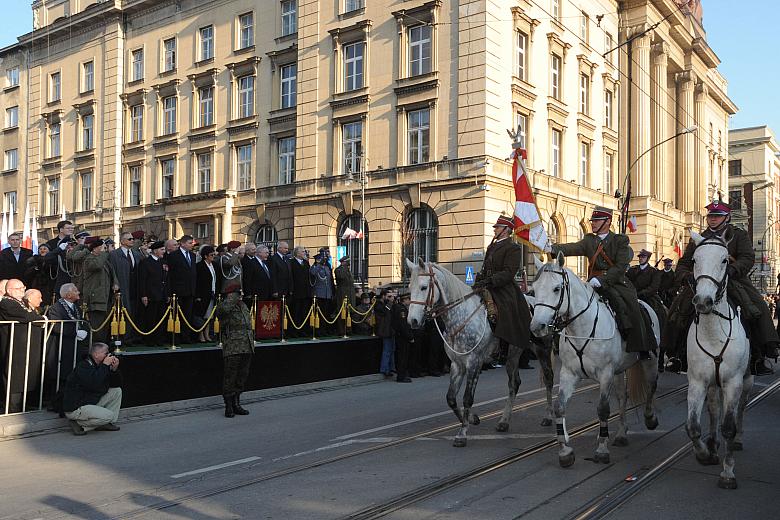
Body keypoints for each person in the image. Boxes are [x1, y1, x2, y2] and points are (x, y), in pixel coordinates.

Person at [662, 201, 780, 375]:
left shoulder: (738, 235)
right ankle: (676, 354)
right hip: (703, 282)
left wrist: (732, 269)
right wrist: (686, 276)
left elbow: (747, 257)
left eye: (717, 216)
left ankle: (759, 355)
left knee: (756, 308)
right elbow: (684, 262)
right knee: (678, 310)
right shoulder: (699, 238)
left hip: (733, 280)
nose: (713, 219)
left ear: (727, 217)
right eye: (710, 216)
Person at [550, 207, 656, 358]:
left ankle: (639, 345)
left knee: (631, 306)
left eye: (597, 221)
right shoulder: (589, 240)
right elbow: (572, 247)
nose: (593, 224)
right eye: (592, 221)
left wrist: (602, 280)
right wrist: (551, 248)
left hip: (616, 282)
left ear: (607, 222)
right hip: (592, 283)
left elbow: (620, 267)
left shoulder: (619, 240)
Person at [473, 215, 532, 353]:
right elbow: (485, 267)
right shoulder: (492, 246)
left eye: (497, 227)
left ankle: (503, 345)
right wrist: (480, 279)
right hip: (487, 284)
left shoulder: (513, 248)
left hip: (503, 287)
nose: (495, 230)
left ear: (505, 230)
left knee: (505, 309)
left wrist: (492, 280)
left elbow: (509, 272)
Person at [0, 279, 46, 412]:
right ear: (9, 291)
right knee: (14, 376)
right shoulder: (7, 302)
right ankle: (12, 407)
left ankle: (22, 405)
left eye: (23, 288)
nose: (22, 291)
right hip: (13, 344)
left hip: (22, 345)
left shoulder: (19, 302)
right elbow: (27, 316)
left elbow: (31, 315)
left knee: (24, 375)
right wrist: (41, 319)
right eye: (19, 289)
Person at [45, 283, 89, 408]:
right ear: (68, 294)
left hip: (75, 347)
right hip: (62, 348)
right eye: (76, 291)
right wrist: (75, 332)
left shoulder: (76, 307)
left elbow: (82, 322)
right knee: (61, 377)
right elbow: (56, 326)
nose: (78, 292)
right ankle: (57, 404)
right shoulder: (56, 308)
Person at [62, 342, 122, 435]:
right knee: (109, 415)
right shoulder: (83, 366)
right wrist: (105, 366)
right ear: (96, 354)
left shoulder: (100, 366)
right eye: (105, 353)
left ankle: (105, 423)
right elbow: (94, 384)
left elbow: (116, 384)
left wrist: (114, 369)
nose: (108, 356)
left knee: (116, 391)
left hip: (89, 401)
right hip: (76, 407)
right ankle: (80, 424)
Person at [216, 286, 255, 418]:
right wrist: (232, 297)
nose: (241, 295)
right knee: (230, 377)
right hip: (233, 347)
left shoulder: (243, 305)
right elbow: (221, 312)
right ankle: (228, 406)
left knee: (241, 376)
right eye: (239, 293)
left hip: (246, 346)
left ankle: (237, 403)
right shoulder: (225, 305)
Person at [82, 238, 119, 345]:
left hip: (107, 298)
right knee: (97, 327)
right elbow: (97, 266)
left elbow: (112, 273)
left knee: (106, 326)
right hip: (96, 298)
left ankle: (104, 346)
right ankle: (96, 347)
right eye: (102, 247)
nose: (105, 250)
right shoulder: (89, 259)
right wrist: (104, 253)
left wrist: (115, 284)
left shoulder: (105, 260)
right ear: (95, 248)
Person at [109, 232, 143, 345]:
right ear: (122, 241)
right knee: (122, 312)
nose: (132, 240)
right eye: (129, 239)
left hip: (135, 288)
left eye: (133, 239)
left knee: (133, 312)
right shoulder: (114, 254)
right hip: (122, 288)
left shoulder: (136, 254)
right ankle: (121, 337)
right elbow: (111, 271)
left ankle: (131, 336)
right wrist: (115, 283)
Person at [167, 235, 198, 344]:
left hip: (190, 291)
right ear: (183, 243)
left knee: (187, 315)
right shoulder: (174, 255)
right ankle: (176, 337)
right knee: (177, 315)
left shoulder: (193, 256)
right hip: (178, 291)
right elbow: (170, 275)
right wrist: (170, 292)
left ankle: (186, 336)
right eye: (190, 243)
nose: (192, 245)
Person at [138, 241, 169, 345]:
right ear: (155, 251)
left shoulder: (163, 262)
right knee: (151, 318)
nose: (163, 252)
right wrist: (144, 295)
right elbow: (142, 280)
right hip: (151, 295)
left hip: (161, 295)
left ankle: (159, 339)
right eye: (161, 250)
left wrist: (167, 294)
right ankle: (149, 340)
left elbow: (165, 279)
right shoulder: (146, 262)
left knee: (161, 318)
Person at [45, 220, 75, 297]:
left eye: (72, 228)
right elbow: (47, 258)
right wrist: (58, 249)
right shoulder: (51, 243)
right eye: (68, 228)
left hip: (72, 275)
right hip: (57, 276)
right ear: (61, 230)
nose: (71, 230)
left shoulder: (74, 242)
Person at [194, 245, 217, 342]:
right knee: (202, 315)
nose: (213, 256)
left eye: (214, 254)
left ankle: (207, 334)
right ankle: (201, 334)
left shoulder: (214, 265)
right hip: (203, 294)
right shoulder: (200, 266)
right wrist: (198, 295)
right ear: (205, 256)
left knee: (209, 316)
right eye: (211, 255)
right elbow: (198, 282)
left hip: (212, 293)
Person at [310, 253, 336, 335]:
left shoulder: (326, 267)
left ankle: (324, 329)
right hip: (319, 294)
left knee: (326, 313)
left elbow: (329, 280)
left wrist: (331, 293)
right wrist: (319, 265)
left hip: (327, 294)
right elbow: (313, 273)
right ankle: (318, 330)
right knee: (319, 313)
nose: (322, 261)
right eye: (320, 259)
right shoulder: (314, 267)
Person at [392, 292, 414, 383]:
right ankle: (401, 376)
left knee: (402, 356)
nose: (410, 301)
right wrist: (410, 337)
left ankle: (403, 374)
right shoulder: (402, 310)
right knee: (402, 357)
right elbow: (403, 325)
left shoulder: (399, 307)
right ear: (404, 300)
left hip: (399, 336)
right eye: (409, 299)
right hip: (402, 337)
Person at [290, 246, 312, 337]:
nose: (304, 253)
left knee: (304, 312)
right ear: (297, 253)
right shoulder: (291, 262)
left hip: (306, 293)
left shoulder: (306, 263)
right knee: (296, 312)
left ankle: (303, 330)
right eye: (303, 251)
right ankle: (294, 331)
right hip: (296, 292)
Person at [375, 289, 395, 377]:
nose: (391, 298)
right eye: (389, 296)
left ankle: (390, 368)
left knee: (391, 350)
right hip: (384, 330)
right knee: (387, 350)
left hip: (390, 330)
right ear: (383, 296)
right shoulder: (378, 304)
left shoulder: (387, 304)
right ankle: (384, 369)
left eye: (391, 296)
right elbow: (384, 312)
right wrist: (390, 303)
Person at [334, 256, 355, 334]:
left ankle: (349, 329)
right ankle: (341, 330)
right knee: (342, 311)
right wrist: (344, 267)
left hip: (350, 294)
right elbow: (341, 277)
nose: (348, 264)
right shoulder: (338, 270)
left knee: (349, 311)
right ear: (343, 262)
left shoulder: (348, 271)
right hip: (342, 293)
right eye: (347, 262)